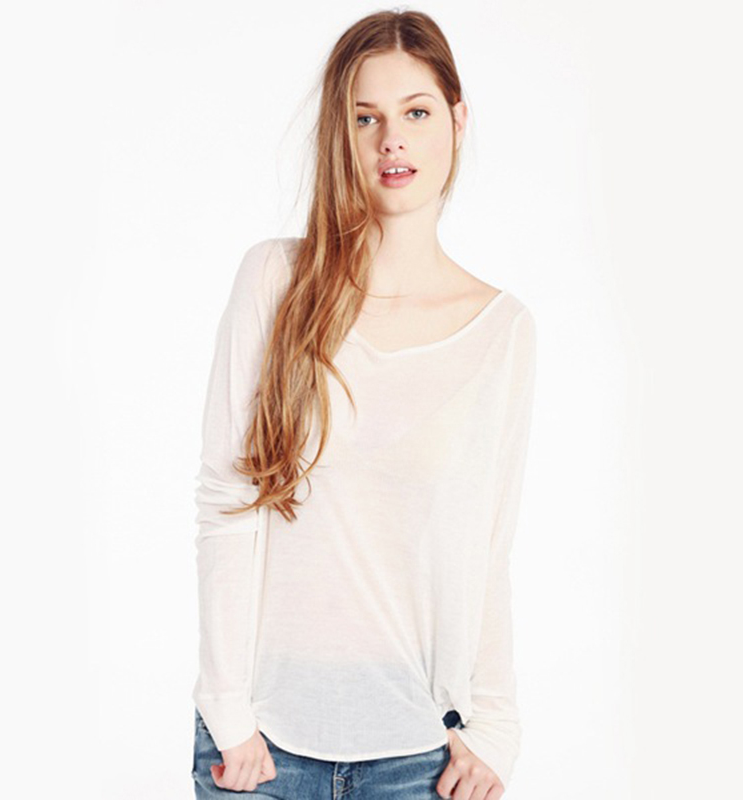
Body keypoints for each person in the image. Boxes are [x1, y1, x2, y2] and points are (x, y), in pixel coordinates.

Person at [190, 9, 537, 799]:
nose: (392, 142)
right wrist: (229, 710)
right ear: (339, 134)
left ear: (456, 121)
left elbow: (488, 547)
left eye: (416, 113)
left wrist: (497, 730)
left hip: (421, 754)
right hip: (261, 746)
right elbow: (227, 502)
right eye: (365, 118)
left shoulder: (502, 331)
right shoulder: (275, 282)